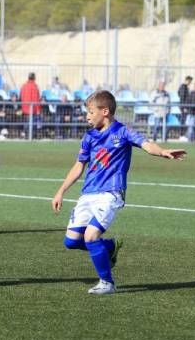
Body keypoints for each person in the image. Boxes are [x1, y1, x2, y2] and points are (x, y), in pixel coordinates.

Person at [52, 90, 185, 295]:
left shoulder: (123, 132)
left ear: (105, 111)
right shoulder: (89, 137)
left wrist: (163, 152)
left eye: (90, 112)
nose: (86, 116)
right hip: (88, 193)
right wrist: (61, 191)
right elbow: (79, 166)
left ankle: (107, 283)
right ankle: (110, 246)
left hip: (111, 193)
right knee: (71, 241)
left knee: (90, 235)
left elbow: (146, 144)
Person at [20, 72, 41, 138]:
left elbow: (21, 96)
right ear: (34, 78)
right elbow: (36, 99)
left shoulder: (23, 86)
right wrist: (38, 110)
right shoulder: (35, 86)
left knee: (26, 123)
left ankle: (27, 136)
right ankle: (31, 136)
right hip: (33, 109)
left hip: (25, 108)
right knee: (32, 124)